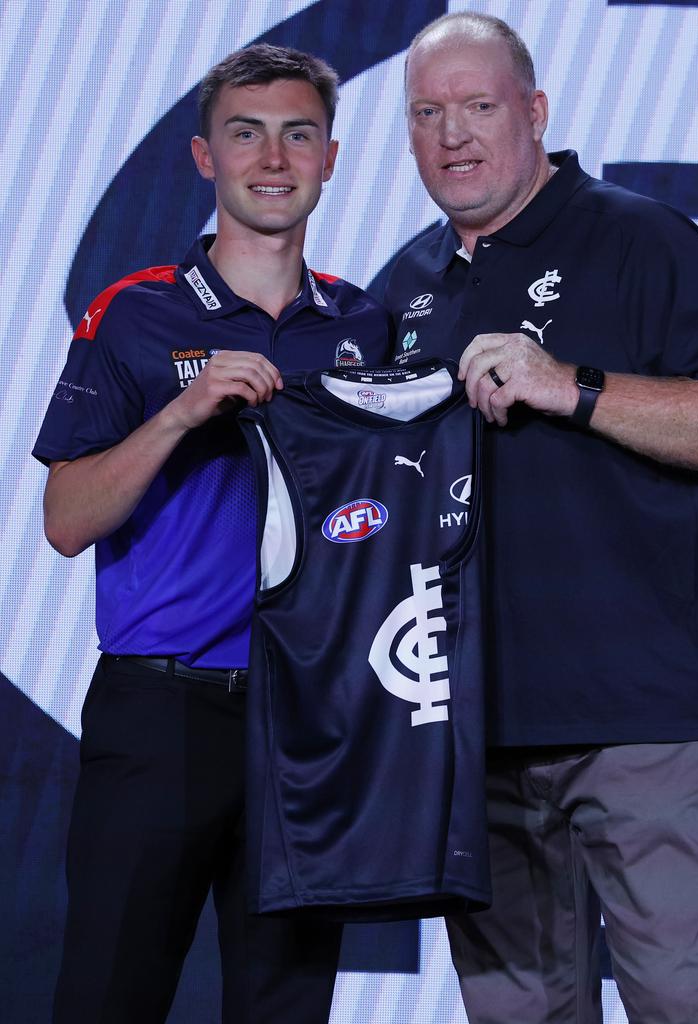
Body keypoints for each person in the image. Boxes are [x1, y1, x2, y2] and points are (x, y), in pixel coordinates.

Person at [384, 12, 698, 1024]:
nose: (453, 134)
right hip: (475, 729)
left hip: (644, 723)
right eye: (429, 113)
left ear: (536, 112)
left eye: (478, 106)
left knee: (684, 1004)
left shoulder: (642, 238)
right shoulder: (405, 289)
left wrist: (574, 387)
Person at [33, 43, 391, 1024]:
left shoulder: (371, 326)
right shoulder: (133, 314)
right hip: (161, 715)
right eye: (246, 134)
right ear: (204, 157)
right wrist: (183, 413)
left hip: (311, 724)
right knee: (108, 999)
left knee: (285, 1007)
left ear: (329, 158)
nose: (272, 158)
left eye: (297, 134)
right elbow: (66, 523)